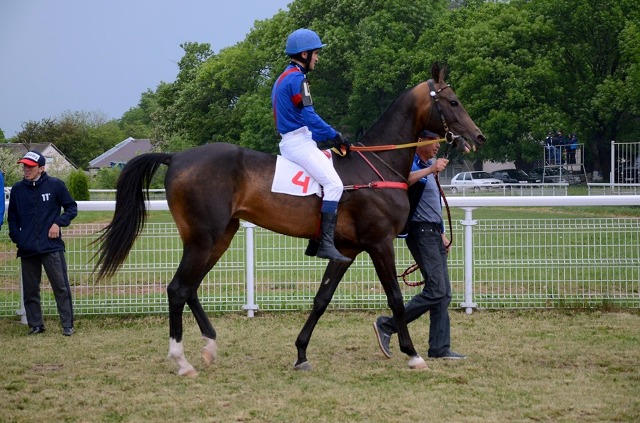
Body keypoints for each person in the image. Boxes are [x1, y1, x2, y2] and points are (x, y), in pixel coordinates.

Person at [373, 130, 466, 360]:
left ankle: (439, 348)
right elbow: (402, 180)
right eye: (434, 141)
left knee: (443, 293)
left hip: (432, 232)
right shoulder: (411, 162)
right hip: (420, 232)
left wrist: (441, 233)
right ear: (420, 141)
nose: (438, 146)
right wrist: (430, 170)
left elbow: (431, 204)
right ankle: (388, 325)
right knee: (436, 290)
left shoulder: (427, 165)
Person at [271, 28, 351, 263]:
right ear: (304, 54)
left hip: (296, 140)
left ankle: (315, 241)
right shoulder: (298, 79)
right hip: (299, 142)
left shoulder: (284, 76)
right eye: (315, 53)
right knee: (334, 185)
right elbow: (310, 117)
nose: (317, 58)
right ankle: (325, 244)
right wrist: (336, 136)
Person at [8, 150, 78, 336]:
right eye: (24, 166)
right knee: (30, 290)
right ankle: (36, 325)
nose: (26, 169)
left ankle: (67, 325)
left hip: (51, 246)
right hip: (27, 248)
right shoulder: (17, 189)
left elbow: (71, 208)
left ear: (41, 168)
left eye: (30, 167)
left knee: (60, 286)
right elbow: (12, 218)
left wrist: (58, 223)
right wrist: (18, 238)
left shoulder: (55, 185)